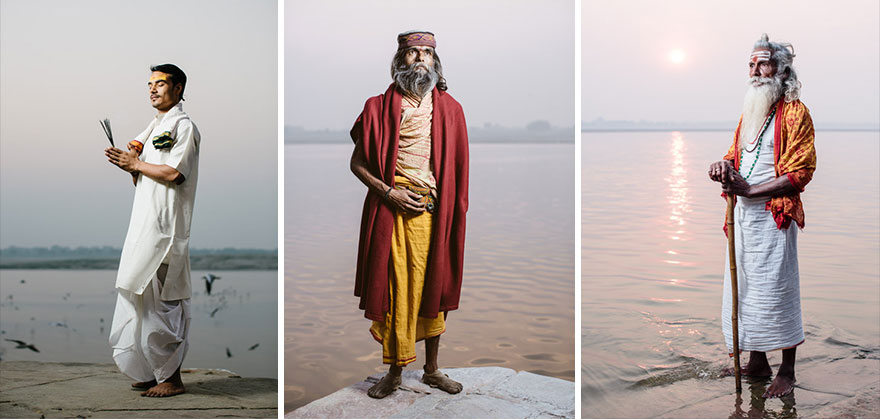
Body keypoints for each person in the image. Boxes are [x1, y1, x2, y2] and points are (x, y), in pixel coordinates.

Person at [349, 30, 469, 399]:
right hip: (392, 208)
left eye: (426, 53)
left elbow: (458, 170)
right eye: (412, 53)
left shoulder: (450, 110)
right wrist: (389, 192)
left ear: (436, 62)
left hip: (435, 210)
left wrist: (451, 210)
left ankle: (432, 370)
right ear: (399, 61)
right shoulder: (377, 108)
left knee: (434, 285)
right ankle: (395, 372)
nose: (419, 59)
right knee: (397, 288)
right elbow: (357, 163)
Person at [708, 34, 816, 398]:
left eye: (763, 64)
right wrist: (723, 165)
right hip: (742, 218)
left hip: (775, 217)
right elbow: (736, 155)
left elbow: (801, 170)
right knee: (748, 291)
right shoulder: (750, 113)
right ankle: (756, 362)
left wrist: (753, 191)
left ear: (781, 69)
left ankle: (787, 370)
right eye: (751, 65)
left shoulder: (796, 112)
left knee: (778, 290)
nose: (756, 71)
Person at [104, 63, 200, 397]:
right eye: (149, 84)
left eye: (160, 84)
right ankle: (151, 370)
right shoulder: (155, 124)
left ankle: (172, 377)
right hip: (144, 223)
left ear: (178, 89)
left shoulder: (183, 126)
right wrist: (128, 161)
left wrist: (135, 163)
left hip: (166, 227)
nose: (153, 89)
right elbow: (139, 163)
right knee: (138, 293)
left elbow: (175, 173)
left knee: (164, 299)